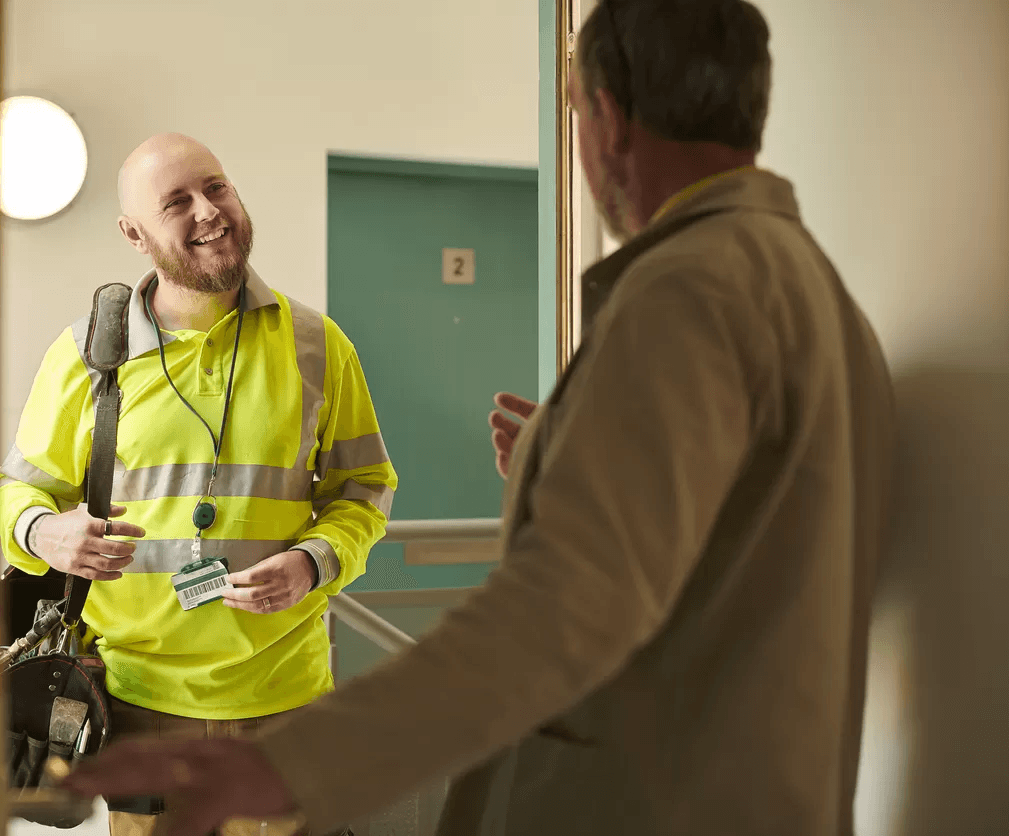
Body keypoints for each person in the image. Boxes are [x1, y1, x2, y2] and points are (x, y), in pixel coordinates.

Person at [61, 1, 896, 834]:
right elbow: (737, 533)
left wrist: (281, 766)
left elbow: (562, 613)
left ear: (603, 115)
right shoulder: (818, 294)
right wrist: (563, 453)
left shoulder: (683, 297)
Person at [0, 132, 397, 836]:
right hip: (135, 704)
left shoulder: (318, 345)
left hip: (287, 699)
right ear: (134, 233)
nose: (208, 211)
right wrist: (44, 531)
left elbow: (364, 490)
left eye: (217, 188)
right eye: (176, 201)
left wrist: (313, 562)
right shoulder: (89, 353)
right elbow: (16, 492)